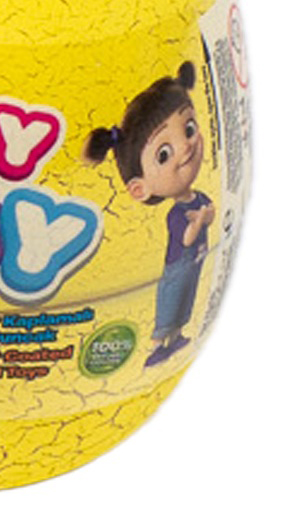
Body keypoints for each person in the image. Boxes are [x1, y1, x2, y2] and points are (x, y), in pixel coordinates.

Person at [84, 61, 214, 368]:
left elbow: (211, 217)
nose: (186, 147)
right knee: (169, 310)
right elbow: (186, 238)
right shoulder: (177, 214)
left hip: (193, 267)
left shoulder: (199, 197)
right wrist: (199, 221)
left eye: (189, 129)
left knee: (185, 307)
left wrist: (204, 217)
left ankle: (176, 338)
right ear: (139, 188)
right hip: (177, 271)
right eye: (164, 154)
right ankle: (157, 345)